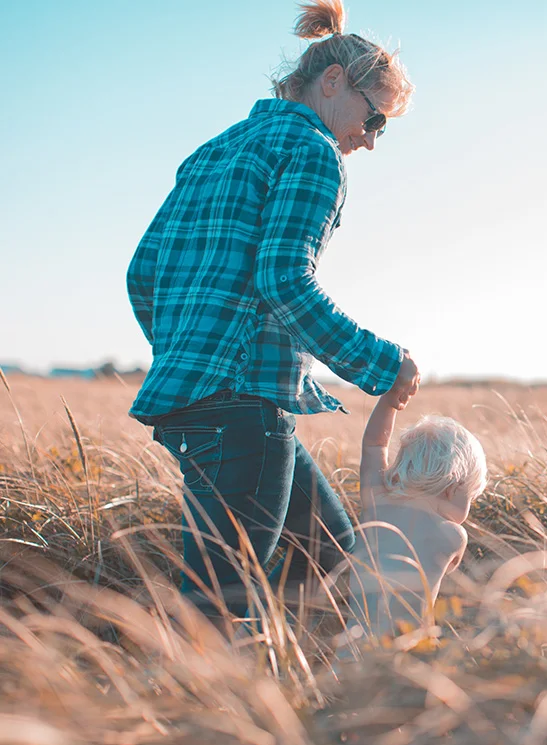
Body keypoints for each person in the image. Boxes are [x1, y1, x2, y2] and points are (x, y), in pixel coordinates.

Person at [125, 0, 418, 624]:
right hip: (241, 408)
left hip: (195, 401)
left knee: (332, 556)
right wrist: (382, 363)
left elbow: (142, 274)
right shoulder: (314, 151)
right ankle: (192, 686)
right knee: (219, 608)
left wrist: (187, 355)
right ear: (333, 81)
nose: (370, 140)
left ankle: (300, 676)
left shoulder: (214, 150)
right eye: (375, 119)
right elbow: (284, 280)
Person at [339, 389, 488, 653]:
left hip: (351, 649)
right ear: (453, 488)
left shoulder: (376, 503)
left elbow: (374, 445)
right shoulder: (453, 536)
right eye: (471, 497)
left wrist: (389, 402)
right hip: (407, 653)